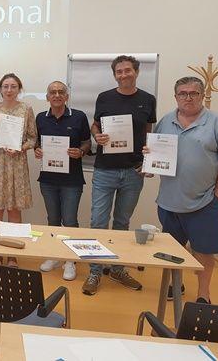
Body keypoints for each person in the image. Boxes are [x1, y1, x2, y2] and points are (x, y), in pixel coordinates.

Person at [147, 76, 218, 304]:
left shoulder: (217, 122)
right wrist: (150, 161)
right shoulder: (166, 121)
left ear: (202, 95)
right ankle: (175, 284)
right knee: (172, 249)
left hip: (204, 201)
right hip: (169, 201)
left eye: (193, 93)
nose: (188, 97)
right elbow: (156, 152)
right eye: (183, 93)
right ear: (175, 96)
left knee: (204, 251)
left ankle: (203, 294)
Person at [82, 55, 157, 296]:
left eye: (127, 70)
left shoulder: (148, 99)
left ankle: (117, 268)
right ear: (114, 74)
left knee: (122, 222)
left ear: (136, 72)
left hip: (133, 171)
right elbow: (95, 125)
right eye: (119, 71)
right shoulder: (104, 97)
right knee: (98, 222)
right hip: (105, 169)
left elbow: (148, 134)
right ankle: (95, 271)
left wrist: (148, 161)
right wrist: (97, 135)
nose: (123, 74)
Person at [34, 81, 91, 281]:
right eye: (53, 92)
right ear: (47, 97)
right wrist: (37, 150)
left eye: (61, 92)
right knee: (52, 220)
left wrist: (81, 151)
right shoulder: (40, 118)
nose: (57, 95)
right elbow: (37, 142)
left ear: (66, 96)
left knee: (69, 221)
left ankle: (70, 260)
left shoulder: (78, 116)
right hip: (48, 179)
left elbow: (87, 142)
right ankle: (54, 255)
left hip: (72, 180)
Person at [0, 73, 36, 266]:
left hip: (16, 163)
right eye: (5, 86)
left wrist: (20, 148)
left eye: (13, 86)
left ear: (19, 89)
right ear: (0, 89)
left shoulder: (26, 109)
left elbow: (32, 138)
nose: (9, 90)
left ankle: (12, 253)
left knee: (14, 210)